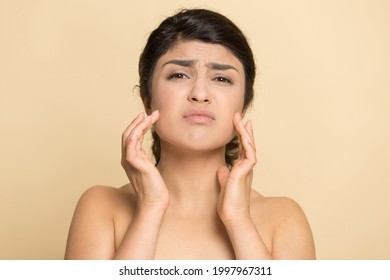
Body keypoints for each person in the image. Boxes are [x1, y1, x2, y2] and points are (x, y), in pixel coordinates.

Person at [64, 8, 315, 260]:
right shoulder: (102, 208)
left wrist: (239, 219)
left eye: (222, 79)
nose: (200, 93)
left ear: (244, 106)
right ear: (147, 100)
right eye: (179, 75)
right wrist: (151, 208)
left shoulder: (283, 219)